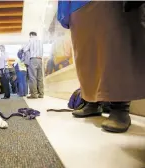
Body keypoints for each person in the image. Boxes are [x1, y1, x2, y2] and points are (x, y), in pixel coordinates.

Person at [58, 1, 145, 133]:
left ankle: (120, 107)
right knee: (86, 56)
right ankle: (92, 102)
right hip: (77, 6)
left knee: (114, 46)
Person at [22, 32, 44, 99]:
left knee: (32, 78)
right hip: (40, 60)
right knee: (40, 78)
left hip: (33, 59)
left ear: (31, 35)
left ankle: (34, 95)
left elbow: (25, 49)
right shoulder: (40, 42)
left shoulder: (31, 40)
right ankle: (41, 94)